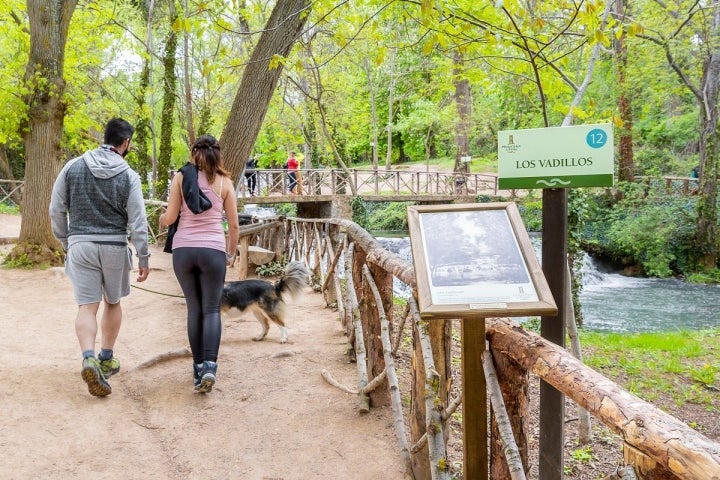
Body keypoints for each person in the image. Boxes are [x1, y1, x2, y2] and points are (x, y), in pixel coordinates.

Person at [49, 117, 151, 397]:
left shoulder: (73, 166)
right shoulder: (129, 175)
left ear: (104, 137)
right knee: (113, 302)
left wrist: (66, 240)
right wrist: (143, 257)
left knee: (86, 307)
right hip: (114, 247)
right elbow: (138, 222)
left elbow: (56, 209)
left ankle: (88, 357)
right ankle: (106, 357)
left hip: (80, 244)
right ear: (126, 142)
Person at [159, 134, 239, 393]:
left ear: (194, 153)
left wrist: (161, 218)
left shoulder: (181, 178)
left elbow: (170, 218)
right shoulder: (225, 182)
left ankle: (196, 369)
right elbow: (234, 225)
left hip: (184, 250)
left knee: (194, 309)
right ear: (218, 154)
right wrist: (231, 253)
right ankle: (209, 367)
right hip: (213, 250)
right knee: (212, 310)